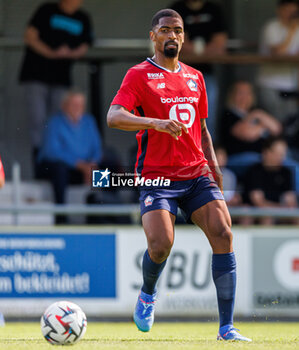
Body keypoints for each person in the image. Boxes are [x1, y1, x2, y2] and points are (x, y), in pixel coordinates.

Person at [107, 9, 251, 342]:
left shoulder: (196, 77)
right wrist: (153, 123)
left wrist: (214, 168)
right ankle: (147, 293)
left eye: (178, 30)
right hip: (157, 176)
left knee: (223, 233)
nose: (172, 36)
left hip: (196, 173)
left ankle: (226, 328)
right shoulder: (138, 75)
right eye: (165, 30)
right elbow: (114, 116)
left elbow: (201, 129)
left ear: (184, 37)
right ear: (153, 36)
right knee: (161, 245)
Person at [19, 0, 93, 171]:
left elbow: (85, 45)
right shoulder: (47, 10)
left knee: (59, 121)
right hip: (36, 74)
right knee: (38, 120)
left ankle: (58, 163)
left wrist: (69, 53)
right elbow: (29, 36)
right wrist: (51, 53)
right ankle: (40, 164)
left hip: (61, 77)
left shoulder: (82, 17)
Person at [38, 90, 102, 223]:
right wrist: (80, 165)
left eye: (81, 105)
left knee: (104, 170)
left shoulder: (89, 121)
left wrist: (92, 164)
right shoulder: (55, 122)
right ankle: (61, 217)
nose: (78, 108)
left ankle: (98, 214)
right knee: (59, 170)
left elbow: (97, 148)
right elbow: (52, 151)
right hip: (57, 168)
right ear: (64, 106)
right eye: (74, 104)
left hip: (83, 168)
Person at [169, 0, 228, 140]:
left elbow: (220, 43)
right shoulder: (176, 9)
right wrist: (201, 50)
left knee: (207, 117)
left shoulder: (213, 9)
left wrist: (196, 51)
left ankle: (206, 157)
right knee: (177, 116)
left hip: (205, 74)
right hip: (178, 74)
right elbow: (175, 42)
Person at [219, 81, 282, 176]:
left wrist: (258, 113)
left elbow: (277, 129)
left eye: (248, 93)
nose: (244, 96)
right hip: (239, 158)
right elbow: (248, 134)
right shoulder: (229, 114)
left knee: (291, 166)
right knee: (258, 163)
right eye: (240, 92)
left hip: (261, 156)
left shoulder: (256, 112)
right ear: (232, 95)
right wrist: (263, 125)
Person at [257, 0, 299, 120]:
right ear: (279, 10)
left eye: (294, 11)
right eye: (288, 10)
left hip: (292, 84)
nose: (291, 14)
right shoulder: (271, 27)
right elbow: (278, 53)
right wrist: (291, 30)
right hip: (270, 83)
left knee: (290, 124)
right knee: (274, 122)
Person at [242, 136, 298, 225]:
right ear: (266, 152)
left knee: (296, 216)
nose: (281, 157)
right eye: (277, 153)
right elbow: (259, 202)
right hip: (258, 212)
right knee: (267, 217)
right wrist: (281, 209)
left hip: (279, 211)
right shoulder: (254, 171)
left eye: (283, 154)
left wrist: (288, 208)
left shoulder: (286, 172)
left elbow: (290, 200)